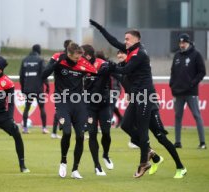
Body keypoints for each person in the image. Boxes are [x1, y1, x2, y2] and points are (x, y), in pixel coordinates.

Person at [90, 19, 156, 178]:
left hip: (145, 95)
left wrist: (109, 65)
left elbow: (125, 70)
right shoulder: (131, 50)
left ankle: (143, 163)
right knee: (126, 125)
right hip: (136, 96)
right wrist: (100, 28)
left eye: (127, 39)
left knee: (142, 129)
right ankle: (147, 149)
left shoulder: (139, 53)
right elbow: (113, 41)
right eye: (125, 39)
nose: (124, 42)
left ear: (137, 39)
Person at [115, 49, 187, 179]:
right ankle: (154, 156)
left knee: (161, 137)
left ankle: (180, 167)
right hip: (137, 105)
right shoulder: (121, 69)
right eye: (118, 53)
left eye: (122, 53)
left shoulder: (137, 67)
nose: (119, 55)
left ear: (130, 56)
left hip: (150, 106)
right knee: (129, 130)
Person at [42, 43, 97, 179]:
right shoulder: (58, 59)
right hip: (62, 102)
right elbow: (43, 74)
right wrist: (56, 63)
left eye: (81, 56)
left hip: (79, 103)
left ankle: (75, 170)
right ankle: (63, 162)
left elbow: (95, 73)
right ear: (69, 54)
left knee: (80, 136)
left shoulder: (83, 62)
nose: (79, 59)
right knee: (66, 132)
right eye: (77, 56)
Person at [170, 33, 206, 149]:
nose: (182, 45)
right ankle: (177, 142)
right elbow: (173, 72)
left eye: (184, 42)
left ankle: (202, 143)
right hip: (178, 92)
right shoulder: (177, 56)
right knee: (178, 116)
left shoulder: (196, 55)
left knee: (197, 115)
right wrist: (172, 84)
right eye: (180, 43)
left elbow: (202, 72)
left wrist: (192, 83)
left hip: (191, 92)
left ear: (188, 42)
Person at [81, 44, 113, 176]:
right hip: (89, 106)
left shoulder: (102, 64)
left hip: (104, 105)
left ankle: (105, 154)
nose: (80, 56)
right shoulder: (81, 65)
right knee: (92, 134)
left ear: (88, 55)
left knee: (106, 132)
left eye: (82, 54)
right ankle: (97, 166)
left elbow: (110, 81)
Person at [19, 44, 49, 134]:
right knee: (42, 107)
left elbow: (21, 76)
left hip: (28, 87)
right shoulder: (40, 59)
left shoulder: (25, 60)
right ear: (39, 50)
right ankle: (44, 128)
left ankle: (25, 128)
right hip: (38, 88)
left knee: (27, 107)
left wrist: (22, 88)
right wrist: (47, 85)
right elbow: (44, 74)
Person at [51, 39, 72, 139]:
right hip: (64, 90)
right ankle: (55, 132)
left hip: (64, 89)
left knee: (64, 111)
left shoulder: (68, 57)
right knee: (60, 111)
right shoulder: (62, 58)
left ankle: (56, 132)